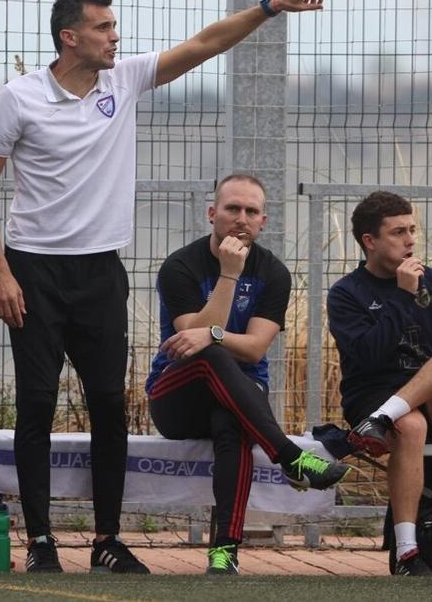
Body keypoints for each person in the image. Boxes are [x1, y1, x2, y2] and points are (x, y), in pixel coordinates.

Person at [0, 0, 330, 574]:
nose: (115, 37)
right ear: (70, 37)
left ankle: (107, 540)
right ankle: (41, 542)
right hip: (33, 268)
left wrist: (269, 7)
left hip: (101, 271)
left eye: (114, 27)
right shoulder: (21, 97)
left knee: (108, 405)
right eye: (104, 27)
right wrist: (1, 271)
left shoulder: (124, 79)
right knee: (36, 405)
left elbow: (206, 43)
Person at [147, 174, 349, 575]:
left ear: (263, 221)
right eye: (232, 209)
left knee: (232, 420)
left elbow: (255, 347)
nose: (241, 219)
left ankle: (224, 551)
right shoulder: (180, 266)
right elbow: (191, 341)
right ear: (212, 213)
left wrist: (213, 334)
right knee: (211, 354)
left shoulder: (273, 273)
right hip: (176, 396)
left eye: (251, 211)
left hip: (239, 398)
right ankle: (290, 457)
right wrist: (229, 275)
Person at [326, 191, 432, 576]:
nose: (410, 240)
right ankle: (407, 552)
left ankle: (382, 419)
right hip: (373, 393)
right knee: (410, 425)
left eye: (412, 229)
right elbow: (368, 357)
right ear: (370, 241)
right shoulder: (346, 294)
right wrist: (402, 296)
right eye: (398, 232)